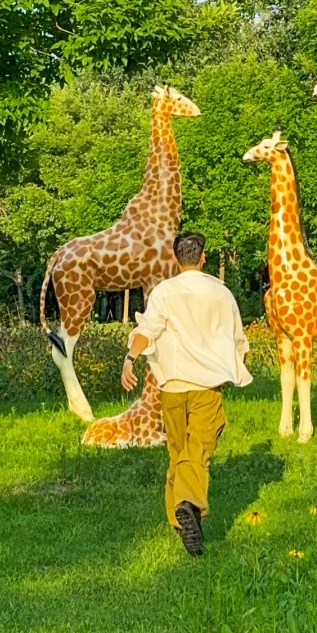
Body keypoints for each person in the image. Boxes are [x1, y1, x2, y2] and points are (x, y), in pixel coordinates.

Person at [121, 232, 252, 556]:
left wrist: (129, 359)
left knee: (179, 452)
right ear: (203, 257)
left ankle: (180, 520)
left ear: (175, 259)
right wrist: (234, 365)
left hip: (172, 387)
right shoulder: (221, 293)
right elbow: (238, 340)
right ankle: (188, 503)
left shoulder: (164, 292)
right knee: (198, 449)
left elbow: (147, 331)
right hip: (205, 386)